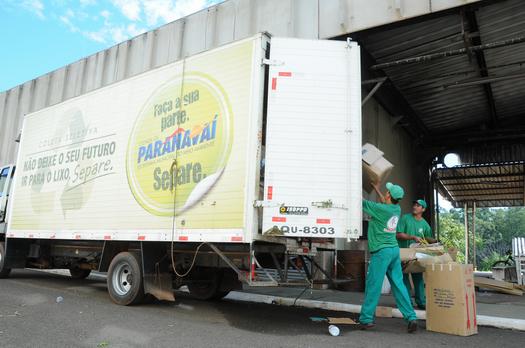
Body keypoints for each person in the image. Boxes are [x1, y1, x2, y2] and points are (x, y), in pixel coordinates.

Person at [359, 182, 418, 333]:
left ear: (389, 196)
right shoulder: (396, 209)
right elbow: (384, 202)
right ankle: (411, 317)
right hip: (394, 251)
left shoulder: (380, 209)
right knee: (399, 285)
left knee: (374, 285)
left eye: (387, 192)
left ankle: (366, 319)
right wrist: (377, 189)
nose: (385, 193)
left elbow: (361, 202)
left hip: (381, 252)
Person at [396, 199, 437, 310]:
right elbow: (399, 234)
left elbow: (427, 237)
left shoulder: (424, 224)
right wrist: (412, 237)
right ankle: (407, 302)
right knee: (404, 278)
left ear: (423, 209)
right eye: (414, 204)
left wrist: (435, 241)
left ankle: (421, 302)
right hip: (403, 253)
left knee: (418, 278)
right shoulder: (405, 218)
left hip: (417, 254)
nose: (415, 206)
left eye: (418, 205)